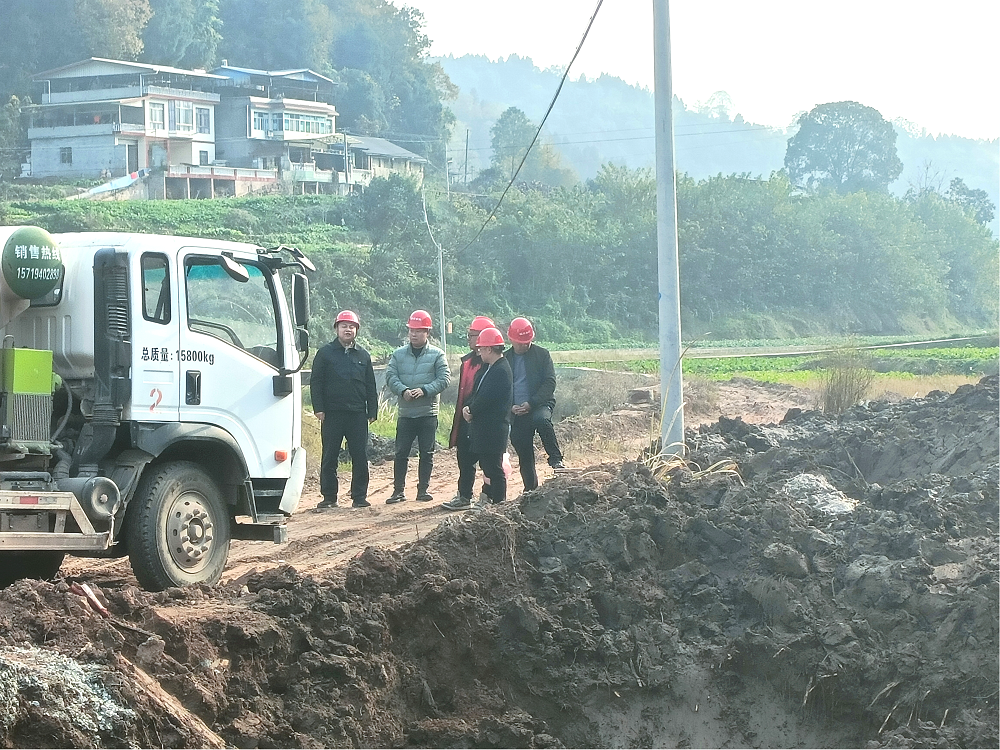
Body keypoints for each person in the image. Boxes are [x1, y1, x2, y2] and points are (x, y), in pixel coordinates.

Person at [311, 310, 378, 509]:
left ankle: (359, 497)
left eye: (351, 327)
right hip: (332, 413)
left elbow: (370, 385)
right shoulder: (325, 353)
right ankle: (329, 497)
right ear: (336, 329)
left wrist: (372, 410)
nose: (348, 330)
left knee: (360, 455)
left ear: (356, 330)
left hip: (357, 414)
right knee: (330, 455)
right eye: (344, 326)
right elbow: (316, 382)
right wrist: (319, 408)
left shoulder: (363, 355)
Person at [384, 310, 451, 503]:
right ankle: (398, 491)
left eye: (418, 331)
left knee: (426, 453)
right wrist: (403, 390)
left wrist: (425, 390)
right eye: (411, 330)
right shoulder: (398, 355)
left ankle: (423, 490)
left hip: (427, 413)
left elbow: (444, 379)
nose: (414, 334)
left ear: (427, 332)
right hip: (406, 413)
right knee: (401, 453)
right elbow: (391, 376)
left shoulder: (437, 355)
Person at [445, 326, 512, 511]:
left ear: (489, 349)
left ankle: (499, 506)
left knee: (494, 469)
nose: (479, 352)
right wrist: (468, 408)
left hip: (494, 429)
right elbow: (476, 393)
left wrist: (472, 410)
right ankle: (493, 504)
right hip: (485, 428)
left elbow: (487, 397)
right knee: (489, 467)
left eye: (481, 348)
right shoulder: (490, 368)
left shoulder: (500, 370)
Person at [442, 316, 496, 510]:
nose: (468, 339)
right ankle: (464, 495)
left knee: (488, 462)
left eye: (472, 335)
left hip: (484, 419)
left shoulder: (493, 363)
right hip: (466, 417)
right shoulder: (468, 361)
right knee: (464, 457)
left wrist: (474, 409)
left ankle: (489, 496)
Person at [505, 316, 565, 491]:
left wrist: (531, 403)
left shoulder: (542, 355)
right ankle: (530, 489)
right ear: (511, 339)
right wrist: (510, 406)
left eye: (527, 342)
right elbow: (501, 387)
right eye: (520, 343)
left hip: (539, 404)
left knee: (542, 420)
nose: (524, 345)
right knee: (522, 445)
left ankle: (556, 459)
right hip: (516, 410)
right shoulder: (505, 359)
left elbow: (550, 383)